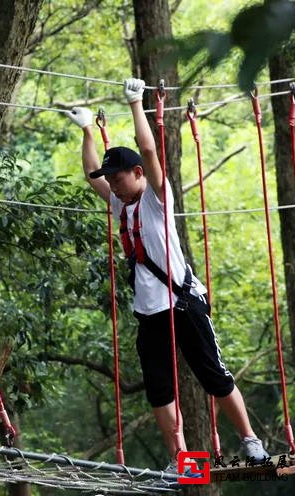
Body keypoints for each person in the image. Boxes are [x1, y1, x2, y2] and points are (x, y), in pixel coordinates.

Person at [66, 78, 269, 473]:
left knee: (213, 375)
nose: (113, 185)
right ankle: (184, 462)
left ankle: (251, 442)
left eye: (119, 178)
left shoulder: (158, 198)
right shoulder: (119, 206)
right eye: (111, 181)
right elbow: (91, 170)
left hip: (182, 303)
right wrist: (88, 130)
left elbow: (147, 148)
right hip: (150, 314)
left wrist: (136, 104)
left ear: (138, 174)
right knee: (160, 393)